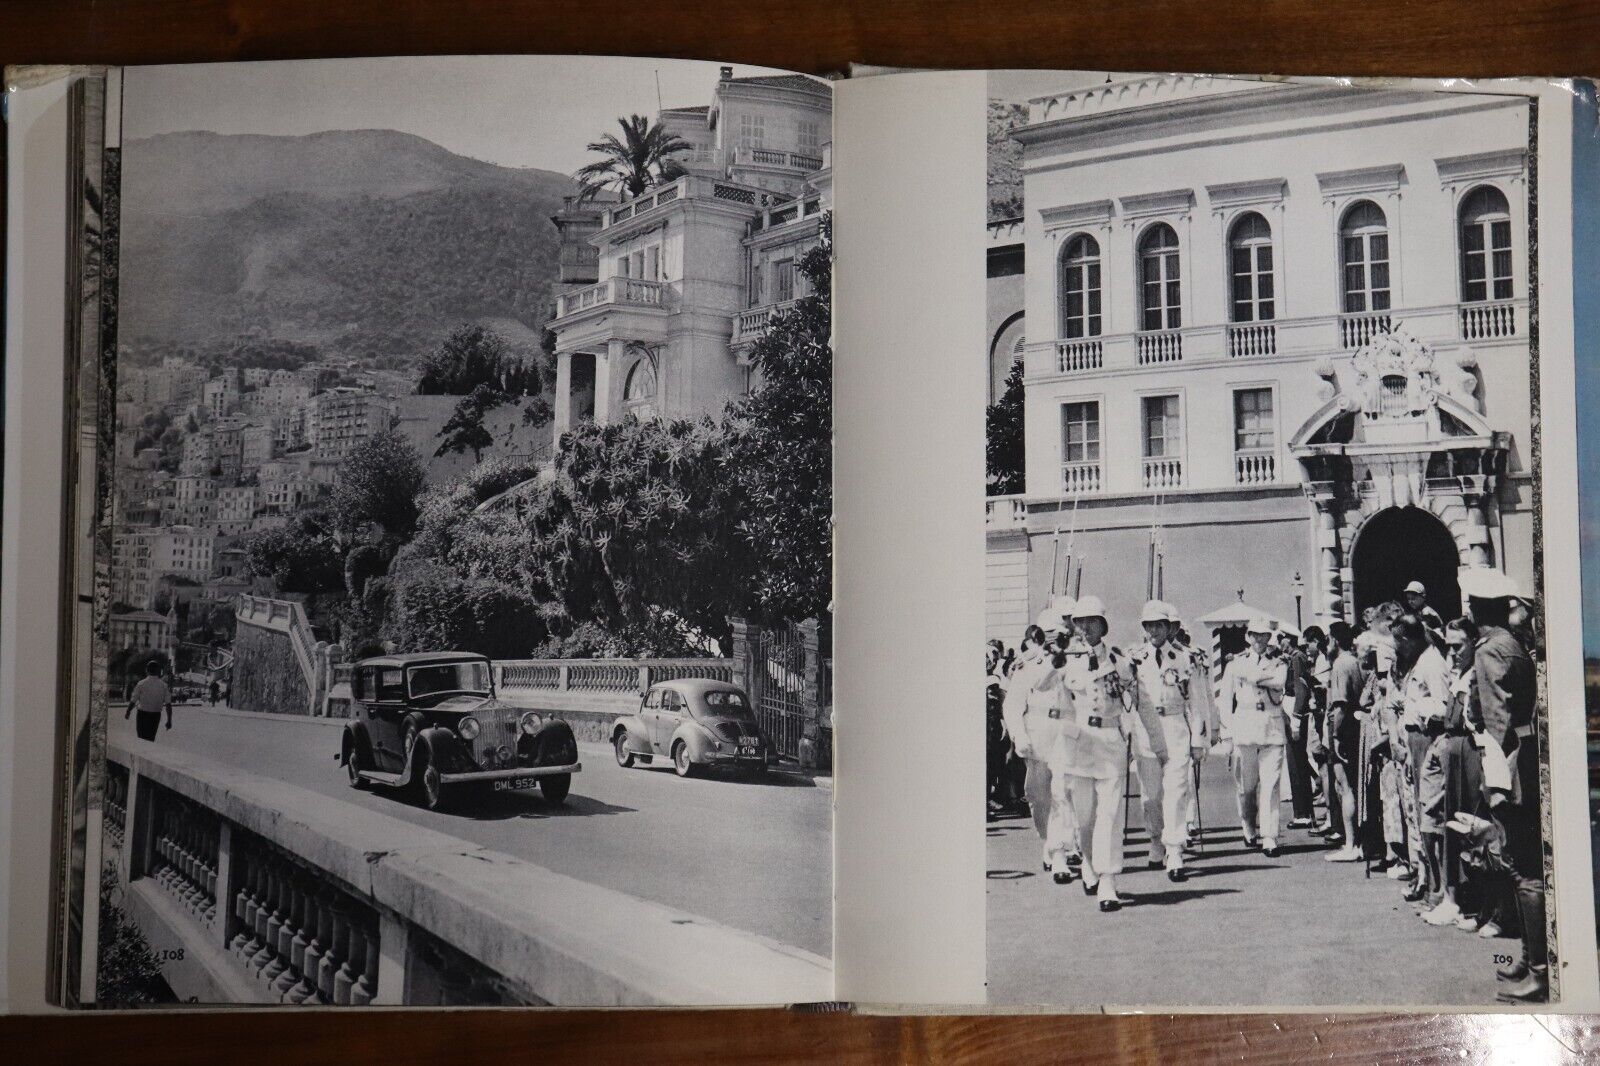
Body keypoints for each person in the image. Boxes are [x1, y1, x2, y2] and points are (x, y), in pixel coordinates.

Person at [1459, 568, 1544, 1003]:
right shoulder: (1509, 645)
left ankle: (1539, 970)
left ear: (1477, 609)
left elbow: (1498, 724)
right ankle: (1530, 960)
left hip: (1510, 764)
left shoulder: (1490, 650)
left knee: (1522, 866)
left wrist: (1495, 784)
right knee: (1519, 863)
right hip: (1522, 758)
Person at [1057, 595, 1154, 911]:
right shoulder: (1068, 664)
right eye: (1080, 622)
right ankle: (1088, 861)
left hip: (1111, 739)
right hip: (1081, 742)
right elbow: (1062, 710)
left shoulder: (1121, 661)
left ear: (1103, 625)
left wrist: (1138, 737)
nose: (1085, 628)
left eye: (1091, 622)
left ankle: (1108, 881)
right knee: (1084, 816)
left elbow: (1134, 702)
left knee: (1109, 815)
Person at [1002, 611, 1080, 882]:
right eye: (1051, 634)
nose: (1057, 639)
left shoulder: (1076, 660)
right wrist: (1019, 736)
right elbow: (1012, 705)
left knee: (1062, 791)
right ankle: (1049, 840)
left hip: (1066, 731)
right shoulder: (1027, 665)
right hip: (1037, 732)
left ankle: (1060, 853)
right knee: (1037, 795)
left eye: (1062, 634)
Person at [1128, 600, 1197, 882]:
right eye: (1149, 626)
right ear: (1143, 629)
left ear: (1168, 628)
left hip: (1176, 727)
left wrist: (1201, 738)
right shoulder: (1134, 659)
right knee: (1152, 794)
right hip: (1146, 730)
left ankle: (1175, 849)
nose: (1154, 630)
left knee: (1176, 791)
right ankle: (1155, 839)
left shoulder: (1185, 658)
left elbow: (1197, 701)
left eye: (1159, 625)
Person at [1389, 614, 1453, 913]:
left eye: (1398, 640)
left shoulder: (1431, 663)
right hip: (1413, 738)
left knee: (1427, 812)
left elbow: (1444, 705)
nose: (1396, 647)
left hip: (1426, 738)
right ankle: (1427, 879)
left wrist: (1416, 709)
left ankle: (1437, 886)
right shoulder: (1418, 662)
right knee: (1415, 811)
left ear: (1410, 639)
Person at [1220, 619, 1289, 856]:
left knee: (1271, 784)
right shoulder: (1235, 664)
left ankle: (1270, 836)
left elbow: (1281, 682)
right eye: (1256, 635)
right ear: (1248, 637)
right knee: (1246, 787)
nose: (1260, 640)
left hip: (1272, 725)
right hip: (1245, 725)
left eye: (1264, 636)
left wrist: (1254, 677)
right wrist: (1227, 734)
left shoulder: (1279, 661)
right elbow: (1225, 700)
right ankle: (1248, 824)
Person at [1322, 622, 1365, 862]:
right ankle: (1357, 841)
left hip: (1344, 727)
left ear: (1335, 641)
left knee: (1345, 786)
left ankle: (1351, 843)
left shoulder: (1340, 664)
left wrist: (1335, 736)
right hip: (1356, 724)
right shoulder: (1355, 660)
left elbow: (1339, 705)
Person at [1281, 629, 1318, 831]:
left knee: (1296, 763)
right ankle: (1304, 811)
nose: (1280, 643)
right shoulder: (1296, 657)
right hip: (1293, 710)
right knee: (1296, 762)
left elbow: (1300, 689)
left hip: (1295, 711)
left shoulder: (1297, 658)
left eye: (1282, 639)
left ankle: (1303, 813)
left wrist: (1295, 719)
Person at [126, 660, 173, 741]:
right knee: (150, 739)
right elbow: (168, 704)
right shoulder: (164, 686)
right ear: (158, 671)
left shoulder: (141, 683)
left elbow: (133, 700)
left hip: (142, 715)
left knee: (141, 739)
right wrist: (169, 720)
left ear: (147, 670)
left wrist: (128, 712)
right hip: (155, 716)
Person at [1403, 580, 1446, 647]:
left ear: (1423, 596)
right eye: (1408, 599)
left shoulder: (1428, 613)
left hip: (1437, 646)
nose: (1410, 601)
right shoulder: (1417, 611)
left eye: (1413, 598)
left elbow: (1422, 633)